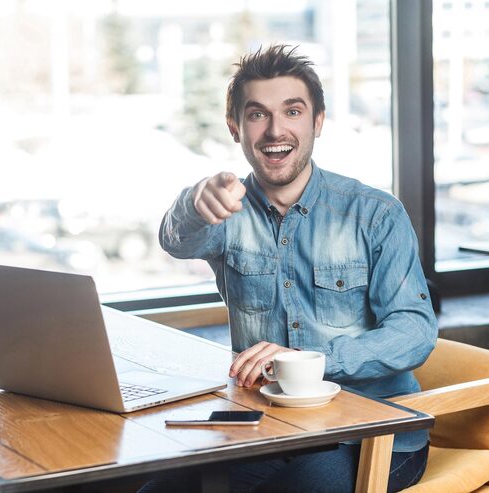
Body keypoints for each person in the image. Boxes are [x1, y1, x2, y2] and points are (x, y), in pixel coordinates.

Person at [150, 44, 438, 493]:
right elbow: (176, 240)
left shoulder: (375, 213)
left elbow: (415, 330)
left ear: (317, 122)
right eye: (257, 114)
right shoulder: (224, 212)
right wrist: (193, 201)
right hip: (266, 425)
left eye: (293, 111)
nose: (275, 130)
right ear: (235, 128)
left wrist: (308, 363)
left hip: (374, 432)